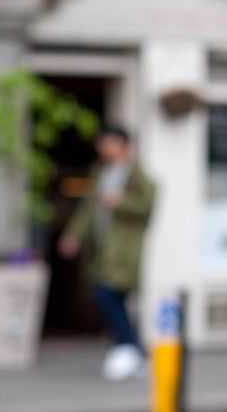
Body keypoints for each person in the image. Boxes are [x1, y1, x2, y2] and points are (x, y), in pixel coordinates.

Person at [58, 124, 156, 381]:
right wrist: (73, 236)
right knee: (114, 297)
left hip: (124, 250)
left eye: (109, 142)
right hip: (101, 248)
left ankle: (127, 348)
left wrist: (120, 201)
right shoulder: (101, 172)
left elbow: (148, 205)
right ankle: (134, 351)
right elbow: (88, 210)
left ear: (123, 145)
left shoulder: (137, 174)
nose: (104, 148)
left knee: (107, 292)